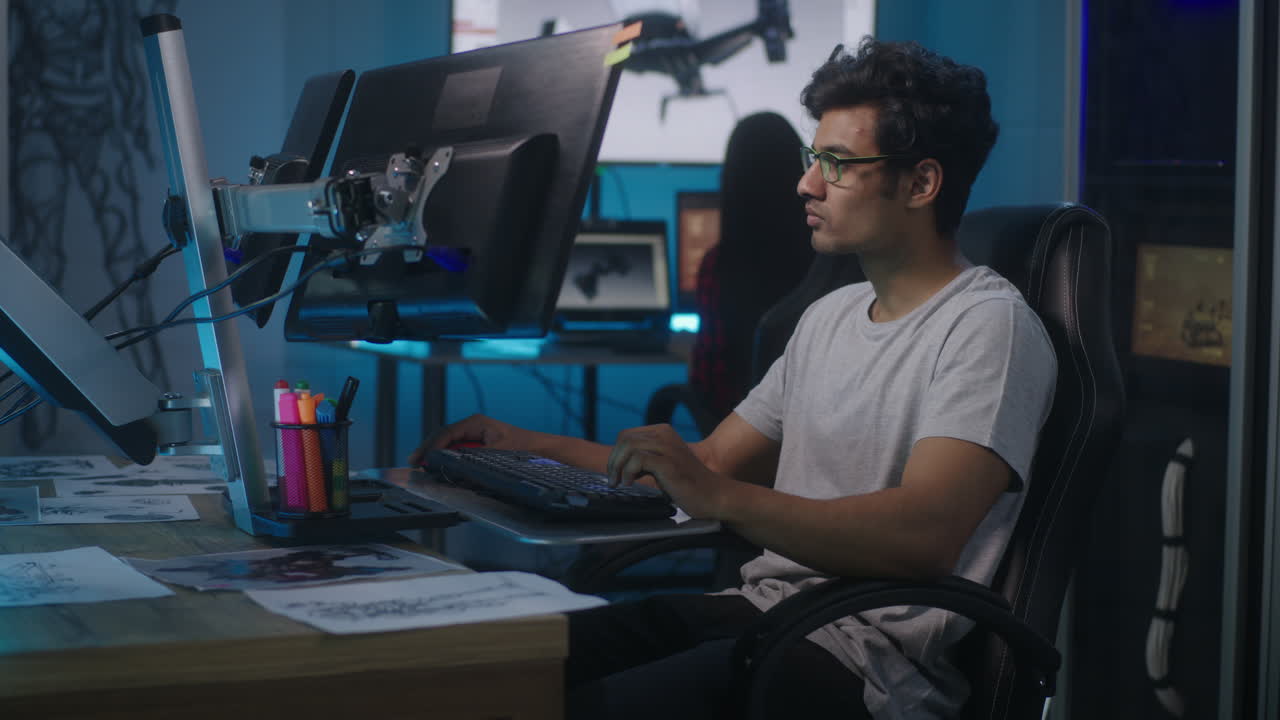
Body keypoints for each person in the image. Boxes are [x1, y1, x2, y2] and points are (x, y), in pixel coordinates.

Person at [410, 38, 1057, 720]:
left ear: (922, 183)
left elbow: (921, 536)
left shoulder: (988, 328)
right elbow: (709, 462)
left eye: (836, 164)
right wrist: (522, 443)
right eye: (814, 159)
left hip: (866, 663)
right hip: (766, 613)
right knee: (510, 667)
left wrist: (719, 496)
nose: (806, 184)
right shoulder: (828, 317)